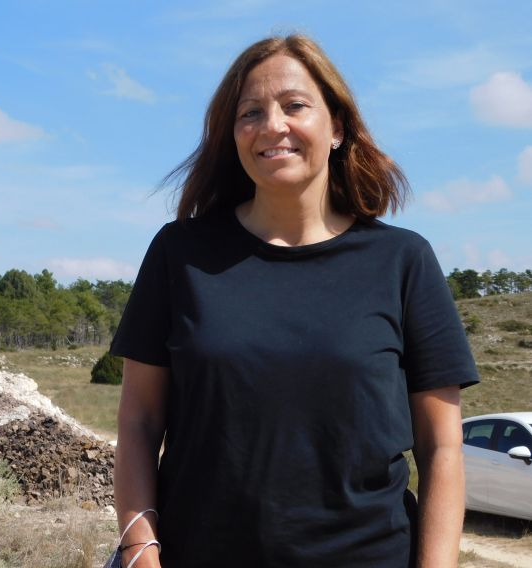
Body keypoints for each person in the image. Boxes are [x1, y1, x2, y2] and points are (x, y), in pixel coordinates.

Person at [109, 34, 478, 568]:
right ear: (233, 136)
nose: (272, 125)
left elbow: (441, 447)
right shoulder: (180, 254)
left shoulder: (403, 262)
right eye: (250, 112)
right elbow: (139, 422)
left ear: (338, 127)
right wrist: (141, 549)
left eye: (295, 105)